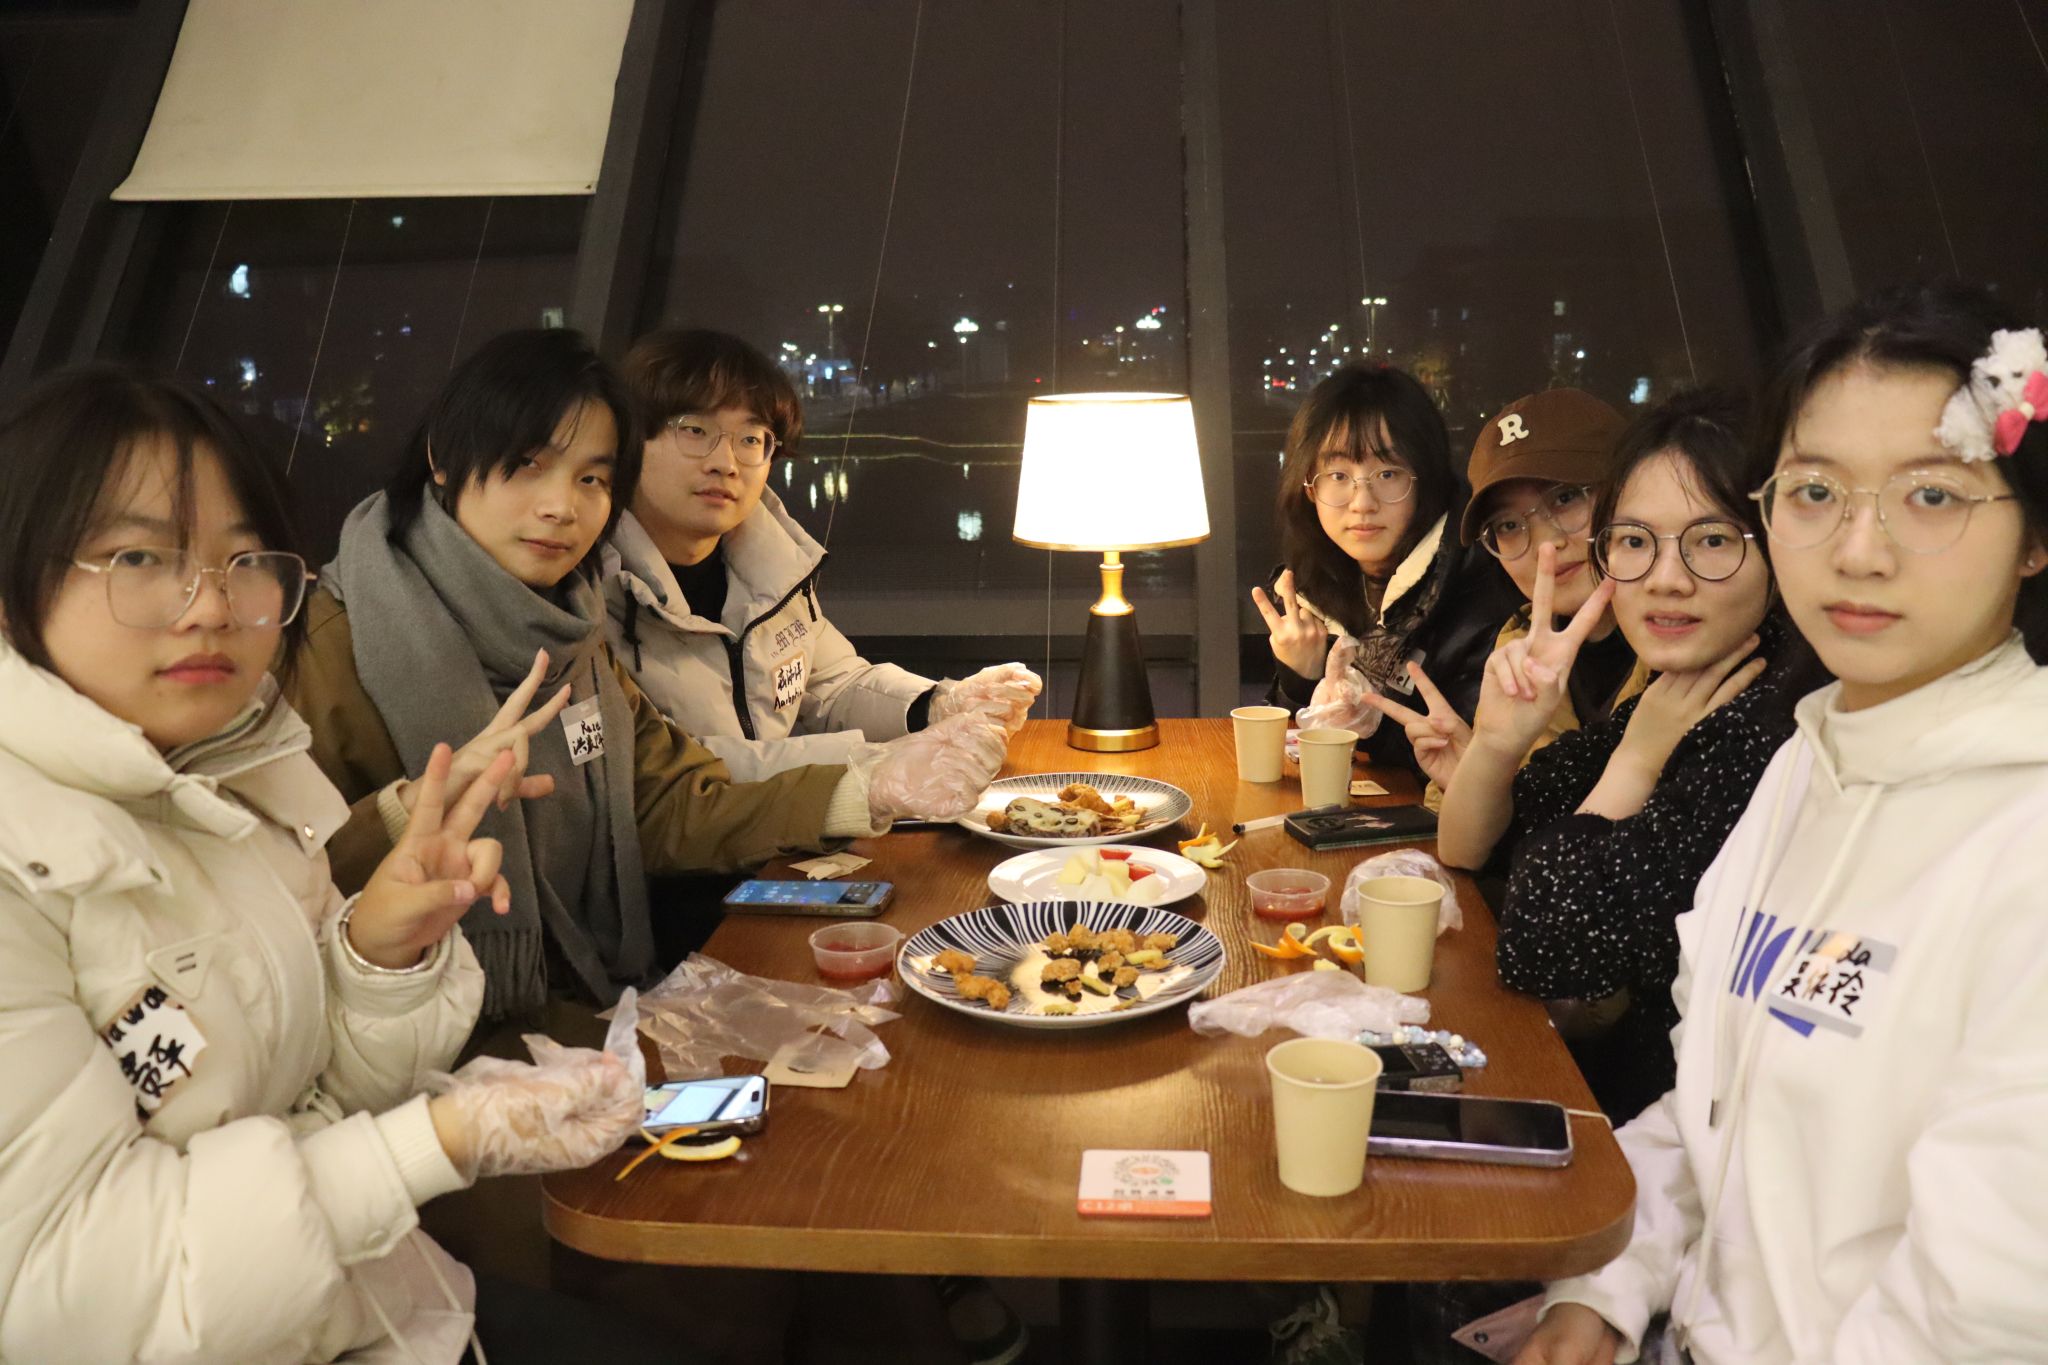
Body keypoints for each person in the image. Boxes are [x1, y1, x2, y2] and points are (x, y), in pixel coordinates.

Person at [0, 367, 647, 1363]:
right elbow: (68, 1299)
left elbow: (300, 1087)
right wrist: (434, 1141)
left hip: (377, 1304)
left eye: (245, 559)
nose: (212, 605)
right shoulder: (40, 855)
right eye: (139, 555)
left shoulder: (235, 773)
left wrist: (377, 955)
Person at [1519, 282, 2048, 1363]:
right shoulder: (1809, 759)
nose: (1857, 550)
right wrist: (1605, 1286)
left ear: (2033, 534)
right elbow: (1708, 1102)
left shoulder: (2020, 838)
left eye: (1932, 495)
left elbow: (1981, 1315)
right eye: (1813, 491)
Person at [286, 328, 1008, 1023]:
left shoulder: (566, 626)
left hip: (596, 986)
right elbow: (271, 881)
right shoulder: (335, 643)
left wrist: (872, 783)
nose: (560, 507)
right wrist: (408, 811)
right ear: (443, 459)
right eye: (529, 464)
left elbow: (666, 793)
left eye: (592, 478)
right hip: (414, 1023)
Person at [1485, 389, 1807, 1123]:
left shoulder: (1767, 717)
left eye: (1713, 540)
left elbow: (1543, 940)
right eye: (1635, 541)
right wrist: (1497, 747)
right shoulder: (1703, 680)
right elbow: (1509, 828)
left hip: (1670, 1135)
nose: (1667, 577)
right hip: (1650, 1127)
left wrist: (1634, 763)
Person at [608, 328, 1039, 781]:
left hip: (783, 818)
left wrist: (936, 705)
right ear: (629, 441)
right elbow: (669, 768)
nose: (726, 463)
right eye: (696, 430)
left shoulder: (772, 567)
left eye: (751, 439)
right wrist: (873, 767)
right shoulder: (591, 594)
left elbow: (832, 686)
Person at [1249, 363, 1517, 786]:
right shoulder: (1318, 585)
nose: (1362, 502)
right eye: (1339, 475)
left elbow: (1461, 757)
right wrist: (1300, 676)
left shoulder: (1481, 590)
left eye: (1387, 474)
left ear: (1426, 480)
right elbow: (1297, 743)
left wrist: (1363, 723)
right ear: (1309, 488)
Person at [1428, 389, 1647, 869]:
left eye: (1565, 498)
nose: (1546, 543)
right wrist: (1487, 763)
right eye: (1508, 526)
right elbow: (1469, 852)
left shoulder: (1683, 644)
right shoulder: (1520, 648)